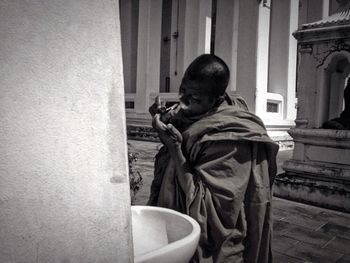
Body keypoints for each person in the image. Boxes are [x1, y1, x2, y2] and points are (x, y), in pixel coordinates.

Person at [148, 54, 279, 263]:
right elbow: (189, 135)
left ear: (217, 99)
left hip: (212, 246)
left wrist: (175, 148)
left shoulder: (232, 137)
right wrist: (163, 119)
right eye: (183, 91)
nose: (183, 102)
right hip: (176, 223)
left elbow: (210, 212)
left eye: (195, 98)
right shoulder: (199, 113)